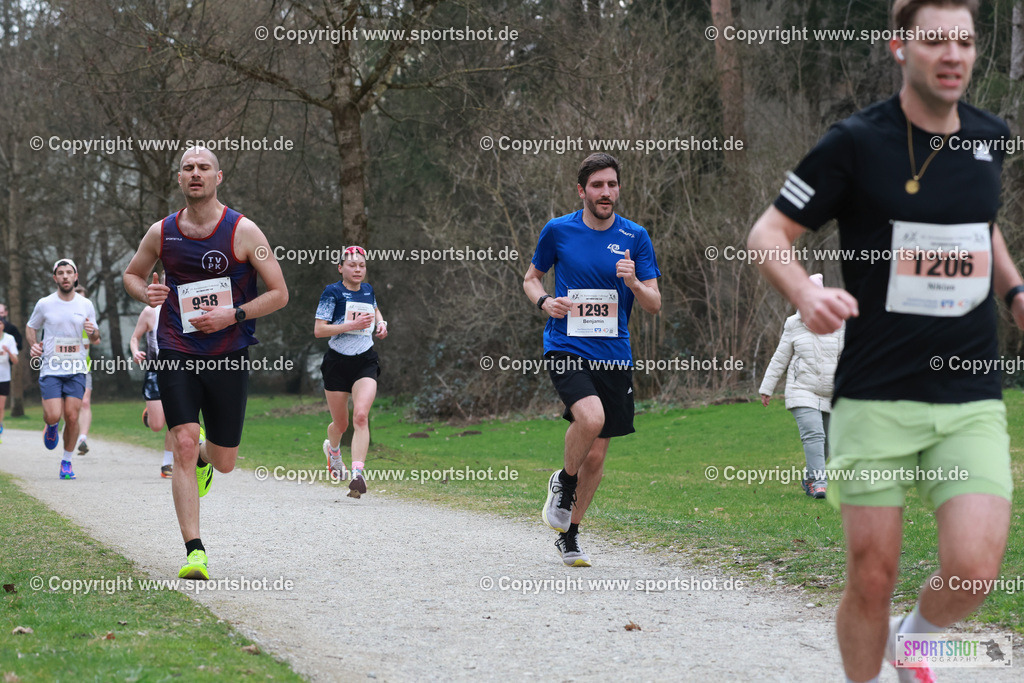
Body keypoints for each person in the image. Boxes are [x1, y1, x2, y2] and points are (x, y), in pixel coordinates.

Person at [747, 1, 1020, 681]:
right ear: (901, 46)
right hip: (874, 393)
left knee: (977, 567)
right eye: (935, 41)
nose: (953, 55)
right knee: (872, 576)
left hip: (968, 391)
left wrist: (1015, 292)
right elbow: (767, 235)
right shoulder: (855, 141)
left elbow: (980, 225)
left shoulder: (990, 135)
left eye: (964, 41)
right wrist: (806, 294)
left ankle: (915, 640)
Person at [123, 146, 288, 580]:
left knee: (225, 459)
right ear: (179, 179)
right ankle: (194, 550)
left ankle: (203, 462)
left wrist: (233, 314)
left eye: (203, 168)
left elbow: (279, 293)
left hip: (228, 355)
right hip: (176, 347)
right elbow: (132, 274)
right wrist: (148, 294)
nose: (195, 174)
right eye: (188, 169)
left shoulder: (244, 231)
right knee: (181, 439)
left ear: (219, 176)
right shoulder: (161, 232)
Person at [524, 153, 661, 567]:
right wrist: (545, 301)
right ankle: (563, 482)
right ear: (582, 190)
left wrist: (633, 280)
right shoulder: (558, 231)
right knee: (590, 418)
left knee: (598, 456)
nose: (606, 192)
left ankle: (570, 534)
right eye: (598, 185)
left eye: (612, 185)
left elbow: (654, 304)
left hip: (614, 353)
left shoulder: (635, 237)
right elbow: (531, 279)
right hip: (565, 346)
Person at [758, 274, 844, 499]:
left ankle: (809, 477)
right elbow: (780, 358)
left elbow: (849, 356)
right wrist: (767, 387)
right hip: (801, 390)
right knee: (814, 436)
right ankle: (819, 482)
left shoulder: (839, 323)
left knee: (827, 443)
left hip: (831, 392)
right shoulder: (793, 324)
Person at [314, 245, 388, 499]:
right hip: (337, 363)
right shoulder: (331, 292)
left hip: (365, 361)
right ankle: (333, 452)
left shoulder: (368, 290)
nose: (358, 269)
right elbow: (319, 330)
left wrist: (381, 323)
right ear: (341, 268)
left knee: (360, 416)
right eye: (352, 265)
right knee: (341, 424)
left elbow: (375, 308)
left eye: (362, 266)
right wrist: (351, 325)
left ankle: (358, 473)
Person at [26, 259, 100, 479]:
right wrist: (33, 346)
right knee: (53, 415)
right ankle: (51, 426)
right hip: (51, 368)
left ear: (76, 276)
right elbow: (31, 327)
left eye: (69, 272)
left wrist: (92, 330)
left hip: (77, 368)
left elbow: (96, 336)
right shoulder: (44, 304)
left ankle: (66, 462)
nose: (65, 276)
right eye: (61, 273)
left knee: (72, 416)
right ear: (55, 278)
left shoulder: (85, 304)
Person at [129, 297, 175, 478]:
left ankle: (167, 464)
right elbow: (135, 337)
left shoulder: (186, 309)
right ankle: (150, 413)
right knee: (157, 425)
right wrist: (135, 352)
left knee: (176, 420)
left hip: (179, 372)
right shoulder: (150, 311)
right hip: (155, 372)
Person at [73, 285, 93, 455]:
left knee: (85, 402)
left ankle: (83, 439)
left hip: (85, 368)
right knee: (72, 407)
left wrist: (92, 332)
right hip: (64, 369)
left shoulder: (89, 319)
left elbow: (97, 340)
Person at [0, 317, 19, 443]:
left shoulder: (9, 339)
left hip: (4, 377)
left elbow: (15, 361)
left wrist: (8, 352)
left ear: (4, 325)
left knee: (0, 407)